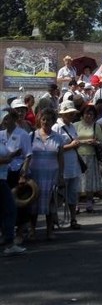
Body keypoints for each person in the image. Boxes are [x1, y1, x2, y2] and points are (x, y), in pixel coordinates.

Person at [27, 108, 64, 240]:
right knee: (32, 204)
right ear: (39, 120)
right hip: (34, 176)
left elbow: (60, 158)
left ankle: (50, 231)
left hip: (51, 176)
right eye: (43, 119)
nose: (46, 122)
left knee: (50, 204)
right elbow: (27, 156)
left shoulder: (58, 138)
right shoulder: (31, 136)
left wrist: (61, 176)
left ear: (53, 121)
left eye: (49, 119)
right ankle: (32, 231)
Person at [53, 101, 83, 229]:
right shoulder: (56, 127)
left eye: (72, 113)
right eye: (69, 113)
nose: (71, 115)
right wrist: (71, 146)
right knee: (58, 195)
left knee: (72, 193)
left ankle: (73, 219)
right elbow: (55, 148)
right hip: (61, 165)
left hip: (73, 164)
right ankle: (54, 220)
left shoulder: (72, 126)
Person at [0, 108, 26, 256]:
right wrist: (8, 159)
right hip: (1, 179)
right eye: (4, 119)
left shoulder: (3, 137)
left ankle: (7, 239)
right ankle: (9, 242)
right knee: (10, 209)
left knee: (7, 209)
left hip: (3, 177)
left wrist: (13, 155)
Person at [73, 105, 102, 213]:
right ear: (82, 114)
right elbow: (72, 141)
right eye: (87, 113)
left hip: (92, 156)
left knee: (90, 181)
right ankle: (76, 204)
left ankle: (89, 203)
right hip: (78, 156)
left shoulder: (96, 126)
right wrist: (83, 142)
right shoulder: (76, 125)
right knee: (78, 180)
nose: (89, 116)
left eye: (91, 114)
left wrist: (96, 143)